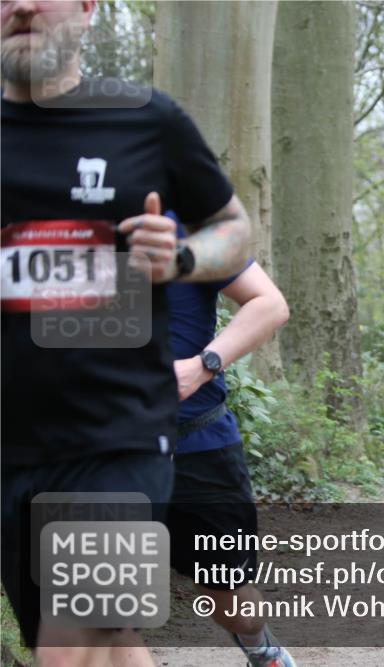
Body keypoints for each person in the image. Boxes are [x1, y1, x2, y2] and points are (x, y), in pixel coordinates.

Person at [1, 1, 251, 663]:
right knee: (110, 640)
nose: (21, 5)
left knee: (69, 644)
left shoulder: (145, 119)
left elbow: (234, 230)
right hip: (11, 447)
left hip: (118, 434)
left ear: (86, 9)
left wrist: (181, 259)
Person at [162, 227, 293, 666]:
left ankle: (261, 648)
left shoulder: (187, 224)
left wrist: (204, 366)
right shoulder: (51, 227)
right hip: (101, 449)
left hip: (196, 442)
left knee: (230, 597)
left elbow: (269, 304)